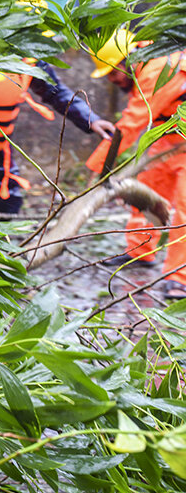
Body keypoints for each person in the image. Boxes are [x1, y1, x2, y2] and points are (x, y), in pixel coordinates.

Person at [0, 56, 116, 216]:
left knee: (9, 204)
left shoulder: (30, 60)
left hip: (0, 150)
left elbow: (56, 92)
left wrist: (91, 119)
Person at [85, 29, 186, 299]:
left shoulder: (156, 68)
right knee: (148, 192)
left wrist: (98, 170)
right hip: (168, 135)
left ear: (126, 60)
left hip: (182, 137)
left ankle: (180, 278)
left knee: (184, 208)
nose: (112, 80)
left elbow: (131, 124)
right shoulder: (146, 63)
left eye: (112, 73)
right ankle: (140, 253)